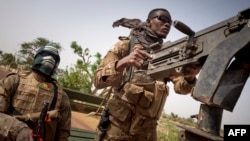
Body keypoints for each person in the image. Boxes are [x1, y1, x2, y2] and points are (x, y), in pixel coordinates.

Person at [93, 8, 200, 141]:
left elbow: (181, 88)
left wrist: (190, 76)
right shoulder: (126, 45)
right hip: (118, 127)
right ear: (149, 22)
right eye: (162, 19)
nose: (167, 24)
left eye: (170, 22)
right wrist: (123, 62)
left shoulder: (168, 53)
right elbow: (98, 81)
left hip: (148, 131)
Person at [0, 43, 71, 141]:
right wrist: (19, 130)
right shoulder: (13, 81)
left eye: (54, 57)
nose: (49, 59)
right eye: (45, 54)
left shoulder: (62, 96)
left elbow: (63, 132)